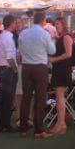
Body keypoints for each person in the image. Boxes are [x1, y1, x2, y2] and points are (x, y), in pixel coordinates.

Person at [18, 10, 56, 138]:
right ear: (43, 20)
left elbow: (20, 49)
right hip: (40, 67)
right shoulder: (45, 34)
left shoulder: (24, 33)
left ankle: (23, 127)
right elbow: (52, 50)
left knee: (26, 97)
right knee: (40, 98)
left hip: (26, 67)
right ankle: (38, 129)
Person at [48, 17, 73, 135]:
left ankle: (61, 123)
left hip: (63, 69)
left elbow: (68, 54)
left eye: (58, 24)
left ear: (63, 25)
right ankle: (60, 123)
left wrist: (54, 59)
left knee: (60, 96)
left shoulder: (66, 37)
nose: (56, 26)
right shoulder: (59, 38)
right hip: (58, 68)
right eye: (55, 24)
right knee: (58, 97)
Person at [0, 14, 18, 132]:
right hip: (8, 69)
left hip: (2, 69)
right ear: (11, 23)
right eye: (15, 22)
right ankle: (6, 125)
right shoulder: (9, 37)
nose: (16, 25)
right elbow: (10, 57)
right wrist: (15, 69)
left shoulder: (1, 36)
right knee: (8, 99)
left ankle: (1, 124)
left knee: (3, 98)